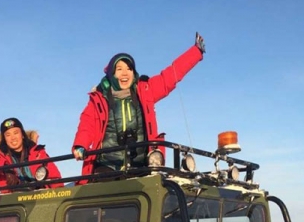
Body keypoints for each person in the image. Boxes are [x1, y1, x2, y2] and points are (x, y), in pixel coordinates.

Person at [72, 33, 206, 180]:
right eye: (119, 69)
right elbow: (87, 124)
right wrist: (81, 145)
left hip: (141, 164)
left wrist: (195, 52)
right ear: (111, 74)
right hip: (107, 165)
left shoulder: (145, 91)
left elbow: (169, 76)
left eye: (129, 69)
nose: (125, 73)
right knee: (104, 191)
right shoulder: (98, 99)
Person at [0, 118, 62, 188]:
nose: (13, 138)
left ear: (22, 135)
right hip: (13, 200)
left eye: (16, 133)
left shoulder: (38, 153)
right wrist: (6, 168)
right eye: (8, 135)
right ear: (4, 139)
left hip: (40, 197)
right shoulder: (0, 155)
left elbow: (56, 179)